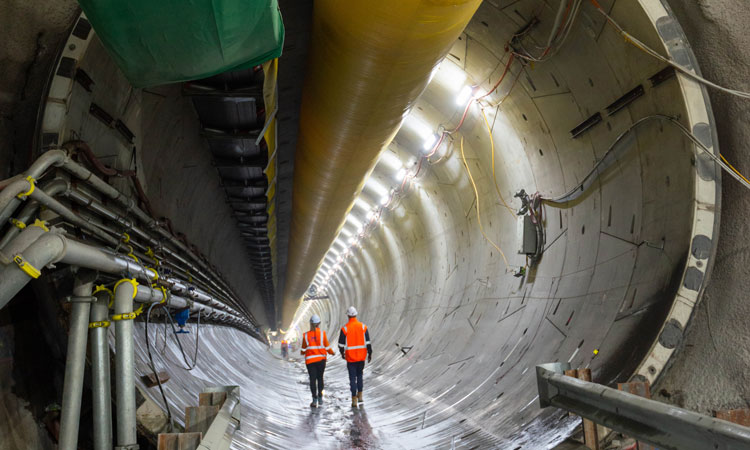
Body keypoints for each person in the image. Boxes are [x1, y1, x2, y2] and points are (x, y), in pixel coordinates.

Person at [338, 306, 372, 407]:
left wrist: (342, 353)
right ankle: (360, 396)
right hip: (361, 357)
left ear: (348, 316)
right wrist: (370, 353)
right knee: (360, 376)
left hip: (351, 358)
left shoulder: (345, 329)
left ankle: (354, 400)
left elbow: (340, 344)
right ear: (356, 315)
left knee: (352, 378)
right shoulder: (363, 327)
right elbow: (368, 342)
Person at [300, 314, 335, 407]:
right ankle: (320, 397)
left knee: (312, 380)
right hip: (321, 361)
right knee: (320, 378)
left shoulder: (306, 335)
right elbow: (327, 346)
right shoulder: (322, 334)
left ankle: (314, 400)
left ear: (310, 324)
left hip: (310, 362)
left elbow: (303, 350)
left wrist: (303, 352)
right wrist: (332, 353)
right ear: (319, 323)